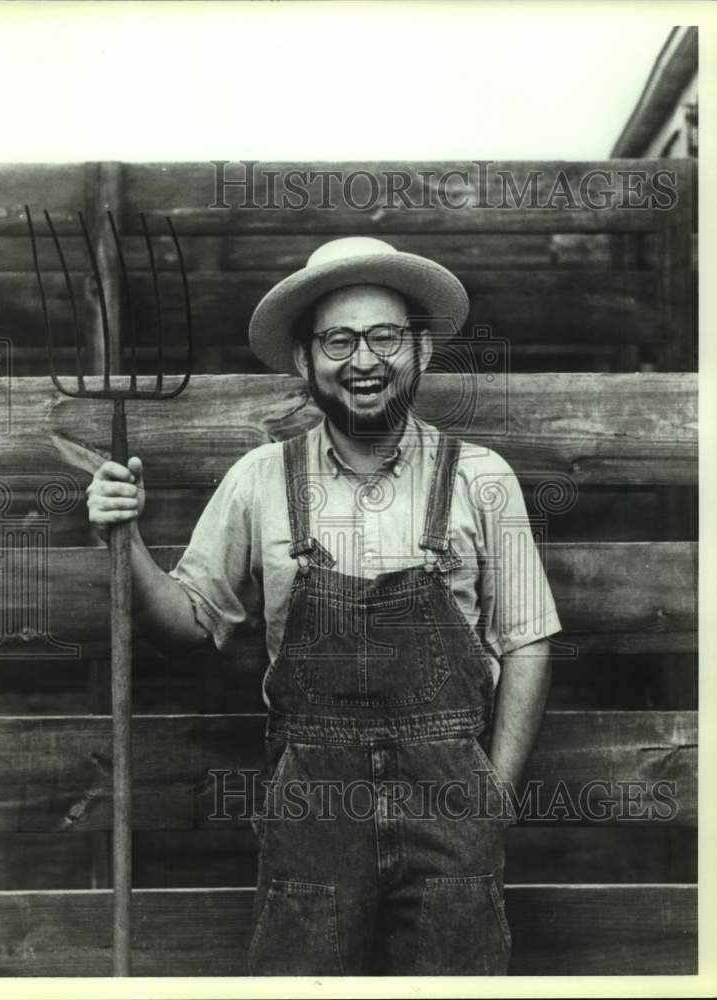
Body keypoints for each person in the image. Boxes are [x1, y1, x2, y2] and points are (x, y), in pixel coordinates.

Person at [87, 237, 561, 976]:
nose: (363, 360)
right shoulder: (258, 480)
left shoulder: (481, 478)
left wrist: (492, 796)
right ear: (306, 360)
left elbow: (528, 641)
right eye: (338, 339)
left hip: (451, 815)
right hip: (311, 817)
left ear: (421, 351)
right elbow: (182, 623)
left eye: (384, 336)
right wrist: (123, 537)